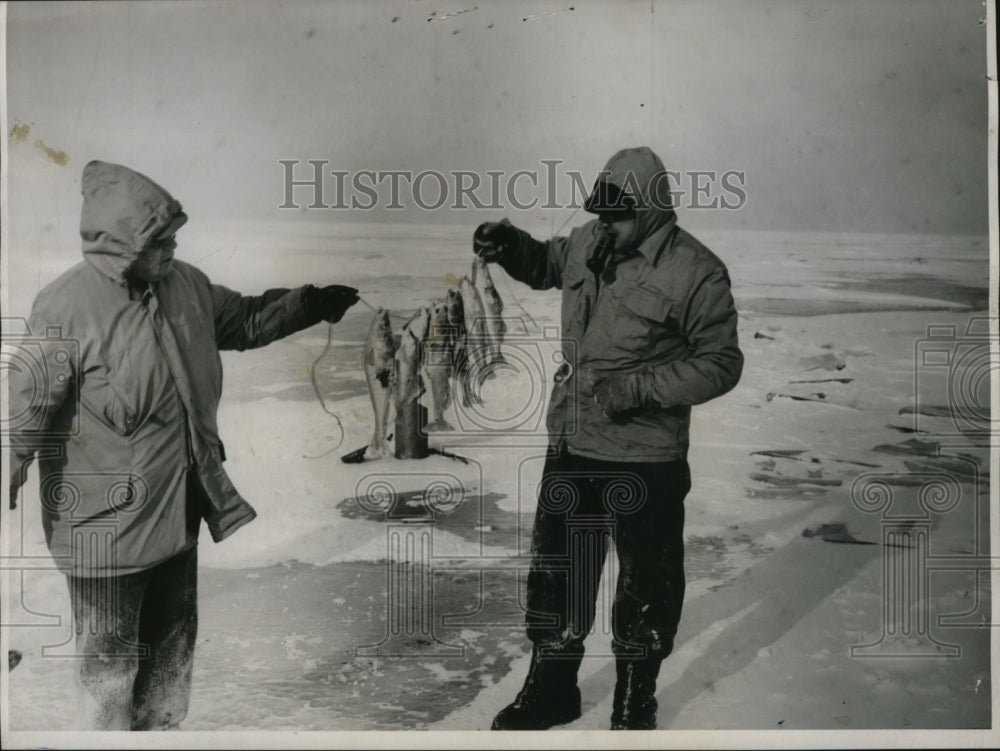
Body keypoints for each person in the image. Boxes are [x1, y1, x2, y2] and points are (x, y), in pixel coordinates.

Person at [7, 160, 360, 730]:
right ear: (123, 243)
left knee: (170, 667)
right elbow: (26, 403)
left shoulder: (186, 285)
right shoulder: (65, 306)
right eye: (159, 238)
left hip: (176, 516)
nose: (173, 246)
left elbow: (244, 320)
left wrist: (308, 302)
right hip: (104, 532)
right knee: (109, 679)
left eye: (174, 234)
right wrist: (12, 461)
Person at [472, 146, 743, 730]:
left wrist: (638, 388)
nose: (605, 227)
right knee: (558, 576)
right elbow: (547, 263)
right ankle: (551, 689)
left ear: (649, 211)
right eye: (600, 215)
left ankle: (633, 702)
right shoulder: (590, 240)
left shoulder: (695, 270)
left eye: (617, 218)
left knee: (646, 585)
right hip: (571, 443)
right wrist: (509, 243)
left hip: (644, 458)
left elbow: (721, 363)